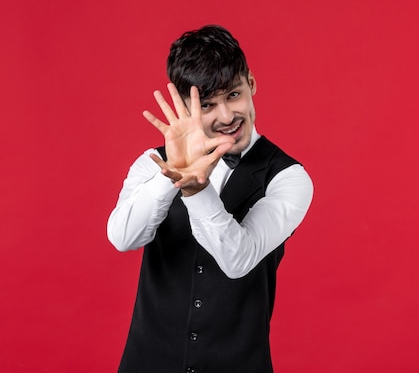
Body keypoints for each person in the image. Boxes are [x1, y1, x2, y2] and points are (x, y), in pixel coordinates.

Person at [107, 25, 313, 373]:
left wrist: (196, 190)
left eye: (234, 95)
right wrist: (171, 174)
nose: (227, 116)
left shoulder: (289, 178)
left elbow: (238, 259)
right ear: (186, 109)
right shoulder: (150, 163)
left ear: (251, 83)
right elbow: (122, 237)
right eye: (207, 105)